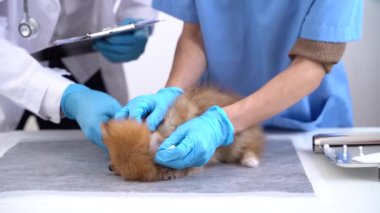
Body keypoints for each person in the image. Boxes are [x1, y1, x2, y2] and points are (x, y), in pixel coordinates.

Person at [115, 0, 363, 169]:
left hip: (306, 127)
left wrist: (222, 123)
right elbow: (196, 32)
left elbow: (315, 60)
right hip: (213, 124)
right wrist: (173, 91)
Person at [0, 0, 155, 149]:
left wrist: (138, 18)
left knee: (105, 144)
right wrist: (68, 97)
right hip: (9, 65)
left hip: (87, 61)